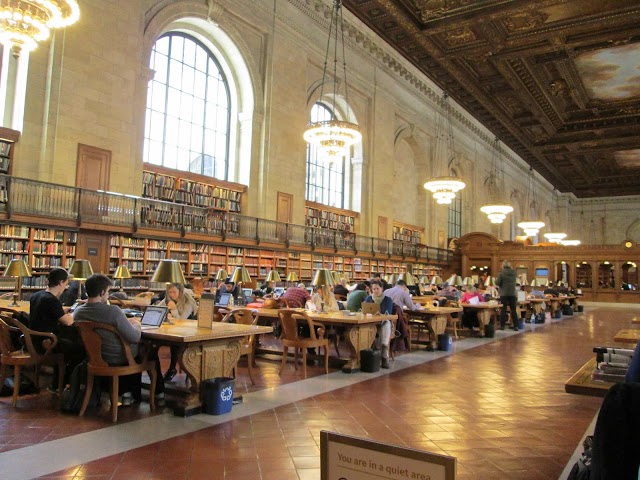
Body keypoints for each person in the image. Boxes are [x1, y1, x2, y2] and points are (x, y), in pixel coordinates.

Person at [72, 274, 164, 406]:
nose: (108, 295)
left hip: (95, 357)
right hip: (119, 357)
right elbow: (134, 337)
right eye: (108, 292)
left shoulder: (78, 312)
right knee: (150, 351)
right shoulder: (113, 311)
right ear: (102, 292)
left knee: (137, 351)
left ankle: (127, 393)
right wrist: (136, 324)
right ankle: (159, 395)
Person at [29, 268, 85, 389]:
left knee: (70, 342)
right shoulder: (52, 300)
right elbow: (68, 321)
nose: (66, 286)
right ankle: (66, 383)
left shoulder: (37, 295)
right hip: (48, 342)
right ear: (60, 282)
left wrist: (63, 311)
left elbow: (47, 313)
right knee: (80, 349)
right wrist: (77, 312)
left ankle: (57, 383)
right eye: (66, 283)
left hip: (35, 340)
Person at [158, 283, 198, 382]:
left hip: (189, 330)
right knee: (155, 342)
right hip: (174, 328)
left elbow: (181, 320)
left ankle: (172, 369)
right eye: (170, 292)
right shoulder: (168, 299)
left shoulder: (188, 301)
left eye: (174, 292)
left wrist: (174, 309)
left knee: (175, 344)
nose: (172, 295)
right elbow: (158, 308)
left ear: (180, 292)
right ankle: (158, 373)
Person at [362, 280, 394, 369]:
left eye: (377, 288)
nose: (375, 291)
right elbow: (365, 311)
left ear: (382, 289)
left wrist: (380, 314)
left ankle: (384, 351)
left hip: (383, 321)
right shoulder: (368, 299)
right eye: (373, 289)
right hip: (371, 322)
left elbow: (389, 313)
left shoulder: (388, 300)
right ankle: (365, 353)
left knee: (386, 323)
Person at [495, 260, 518, 330]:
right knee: (513, 310)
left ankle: (502, 326)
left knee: (503, 310)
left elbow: (497, 282)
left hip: (504, 293)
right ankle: (516, 326)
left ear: (503, 265)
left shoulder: (501, 273)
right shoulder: (514, 272)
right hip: (513, 293)